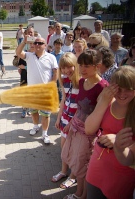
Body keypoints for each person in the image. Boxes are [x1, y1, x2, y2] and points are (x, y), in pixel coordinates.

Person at [61, 49, 109, 199]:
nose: (82, 69)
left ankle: (81, 195)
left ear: (97, 66)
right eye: (80, 65)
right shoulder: (82, 81)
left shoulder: (103, 87)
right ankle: (79, 193)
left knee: (83, 167)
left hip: (89, 134)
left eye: (86, 66)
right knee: (75, 163)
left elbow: (103, 115)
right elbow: (80, 107)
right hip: (75, 127)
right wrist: (70, 123)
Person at [85, 66, 135, 199]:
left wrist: (118, 143)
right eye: (119, 88)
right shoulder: (108, 102)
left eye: (128, 89)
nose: (122, 94)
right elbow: (89, 129)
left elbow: (129, 160)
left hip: (121, 177)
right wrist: (103, 101)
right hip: (96, 169)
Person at [16, 37, 58, 144]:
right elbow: (18, 52)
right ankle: (35, 126)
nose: (38, 44)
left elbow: (55, 72)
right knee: (34, 112)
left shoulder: (51, 57)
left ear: (45, 45)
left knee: (45, 114)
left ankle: (45, 133)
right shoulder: (29, 56)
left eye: (40, 43)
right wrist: (24, 41)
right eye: (36, 43)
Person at [52, 53, 79, 189]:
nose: (66, 70)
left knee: (74, 151)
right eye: (63, 68)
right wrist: (58, 118)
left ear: (75, 65)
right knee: (64, 148)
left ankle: (73, 177)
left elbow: (83, 106)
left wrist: (72, 122)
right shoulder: (64, 79)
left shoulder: (81, 82)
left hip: (76, 122)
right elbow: (64, 99)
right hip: (65, 119)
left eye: (69, 67)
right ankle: (63, 171)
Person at [51, 38, 64, 104]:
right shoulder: (50, 54)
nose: (57, 46)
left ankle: (60, 103)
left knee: (60, 89)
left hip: (60, 75)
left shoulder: (63, 55)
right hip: (51, 74)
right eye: (56, 44)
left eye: (59, 44)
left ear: (61, 45)